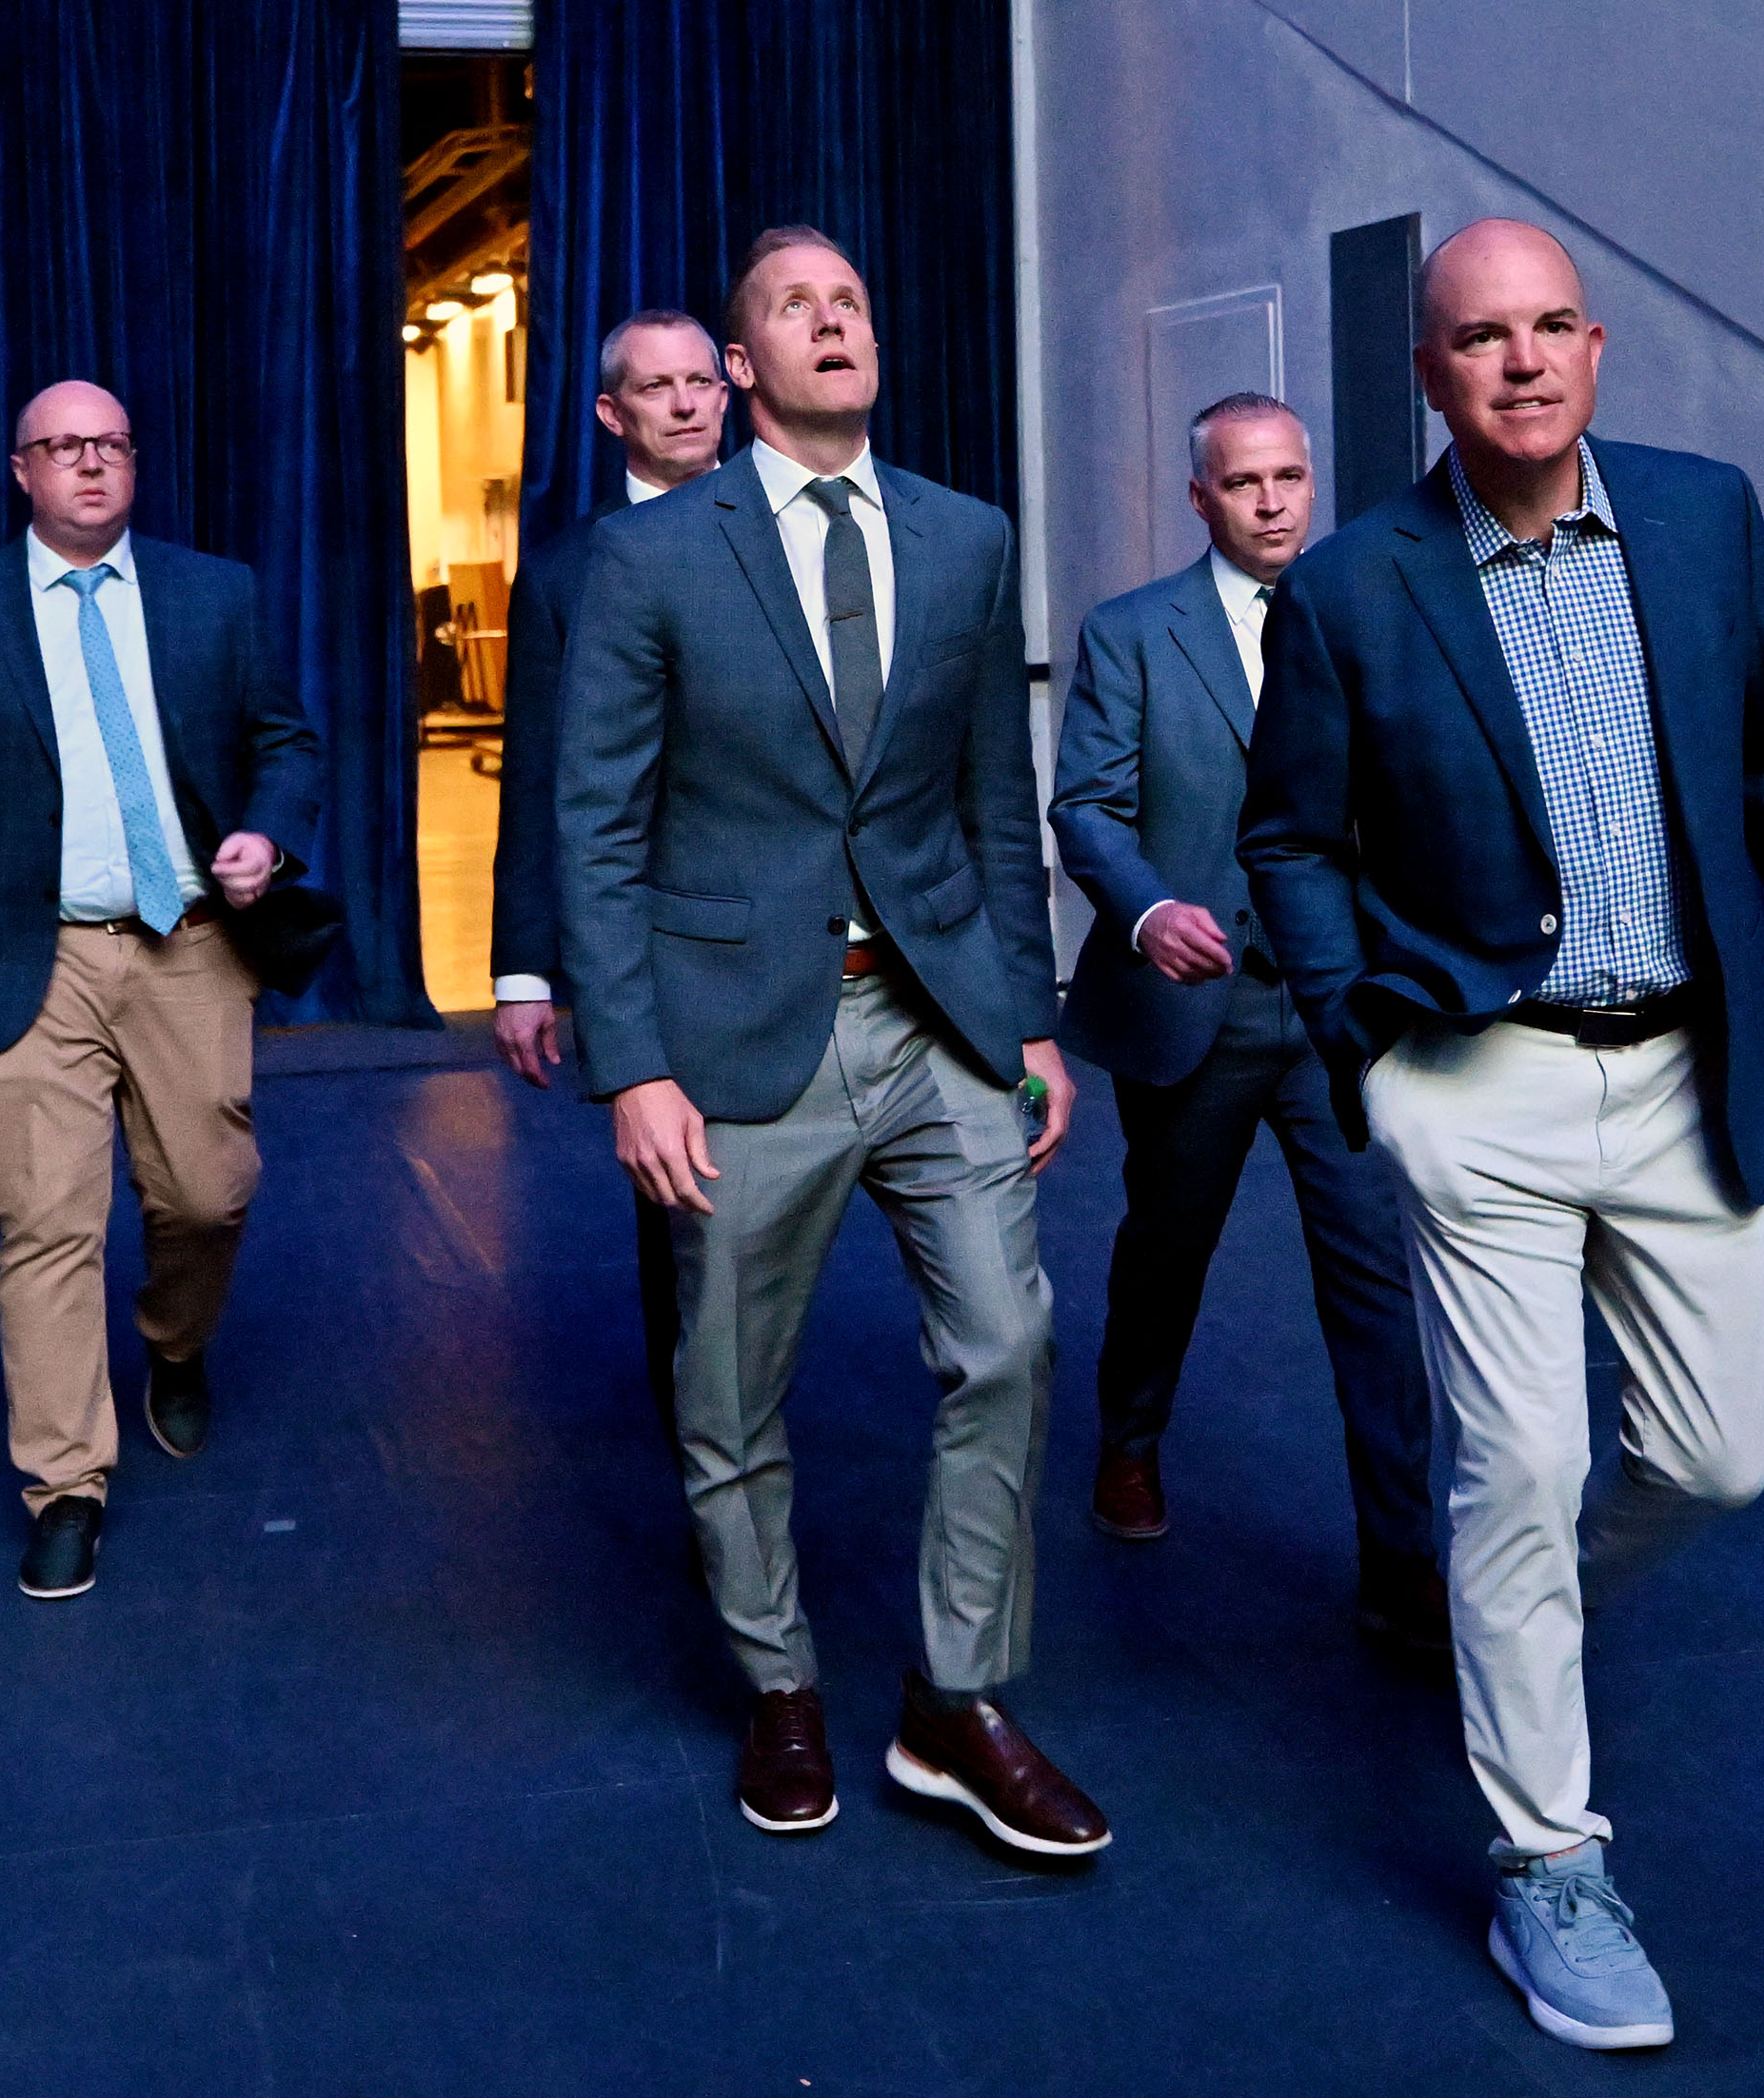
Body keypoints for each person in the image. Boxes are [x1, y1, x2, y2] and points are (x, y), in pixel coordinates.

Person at [1239, 220, 1764, 2051]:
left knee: (1716, 1459)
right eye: (1480, 337)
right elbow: (1290, 842)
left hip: (1695, 1069)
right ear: (1428, 374)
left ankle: (1502, 1611)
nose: (1522, 362)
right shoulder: (1356, 585)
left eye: (1552, 329)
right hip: (1485, 1078)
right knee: (1519, 1464)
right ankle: (1550, 1850)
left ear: (1598, 348)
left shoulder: (1703, 521)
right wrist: (1366, 1059)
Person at [560, 227, 1104, 1856]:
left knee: (1006, 1338)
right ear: (737, 368)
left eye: (852, 300)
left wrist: (1027, 1013)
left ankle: (958, 1695)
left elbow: (993, 796)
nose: (833, 322)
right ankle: (779, 1678)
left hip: (937, 1009)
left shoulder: (964, 535)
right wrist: (634, 1063)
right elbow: (597, 824)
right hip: (736, 1032)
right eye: (795, 308)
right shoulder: (653, 559)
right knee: (728, 1387)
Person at [0, 381, 319, 1602]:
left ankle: (174, 1342)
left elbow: (286, 740)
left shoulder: (217, 593)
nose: (92, 467)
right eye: (64, 448)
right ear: (22, 472)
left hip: (191, 943)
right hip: (26, 959)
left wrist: (267, 832)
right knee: (45, 1223)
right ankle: (65, 1482)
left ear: (134, 460)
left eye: (111, 444)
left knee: (207, 1193)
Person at [1049, 391, 1440, 1654]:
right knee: (1168, 1250)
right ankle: (1131, 1443)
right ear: (1200, 499)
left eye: (1290, 478)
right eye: (1245, 482)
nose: (1274, 501)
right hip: (1195, 1000)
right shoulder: (1132, 634)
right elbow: (1088, 805)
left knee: (1375, 1281)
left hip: (1337, 1009)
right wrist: (1148, 906)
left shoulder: (1370, 615)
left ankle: (1400, 1556)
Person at [490, 308, 729, 1440]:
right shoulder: (566, 575)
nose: (686, 403)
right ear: (610, 412)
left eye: (701, 381)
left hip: (824, 929)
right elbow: (538, 773)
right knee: (683, 1224)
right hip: (659, 938)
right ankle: (711, 1479)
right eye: (658, 387)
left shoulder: (806, 531)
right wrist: (526, 970)